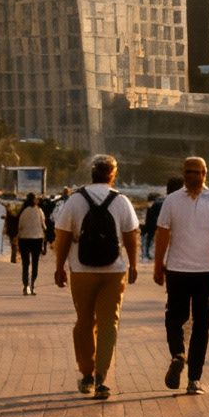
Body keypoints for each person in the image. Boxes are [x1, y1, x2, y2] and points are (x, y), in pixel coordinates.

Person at [51, 155, 142, 400]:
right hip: (114, 270)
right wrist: (133, 264)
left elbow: (63, 236)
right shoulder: (121, 201)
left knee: (84, 320)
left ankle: (87, 373)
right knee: (108, 323)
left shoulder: (75, 200)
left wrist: (60, 267)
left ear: (92, 173)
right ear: (113, 174)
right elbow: (131, 235)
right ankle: (102, 377)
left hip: (81, 270)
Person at [154, 157, 209, 394]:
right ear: (183, 173)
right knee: (174, 316)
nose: (192, 176)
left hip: (207, 270)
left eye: (197, 172)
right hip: (177, 269)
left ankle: (193, 378)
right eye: (189, 172)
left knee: (201, 323)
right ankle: (179, 355)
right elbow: (162, 234)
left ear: (204, 173)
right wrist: (159, 264)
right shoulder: (172, 200)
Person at [142, 176, 181, 260]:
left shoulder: (158, 203)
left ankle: (147, 254)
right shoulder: (184, 204)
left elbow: (149, 227)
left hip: (157, 242)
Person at [16, 193, 47, 295]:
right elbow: (44, 226)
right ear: (35, 200)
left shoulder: (23, 212)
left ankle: (26, 286)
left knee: (25, 264)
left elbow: (19, 226)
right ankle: (33, 285)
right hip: (37, 239)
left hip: (24, 240)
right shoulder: (39, 211)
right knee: (35, 263)